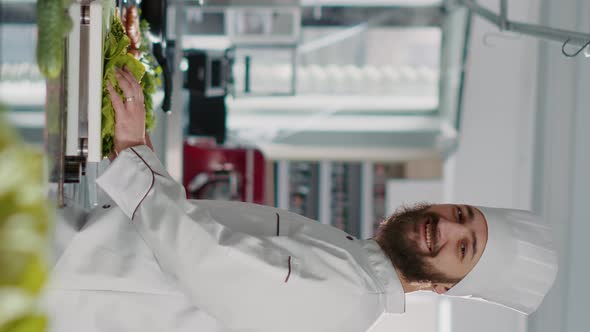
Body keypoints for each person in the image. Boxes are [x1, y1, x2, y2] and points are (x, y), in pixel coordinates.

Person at [44, 68, 558, 332]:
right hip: (70, 256)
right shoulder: (353, 262)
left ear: (444, 287)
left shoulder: (347, 297)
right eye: (462, 215)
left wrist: (136, 156)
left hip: (65, 278)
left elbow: (210, 260)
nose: (446, 229)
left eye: (462, 249)